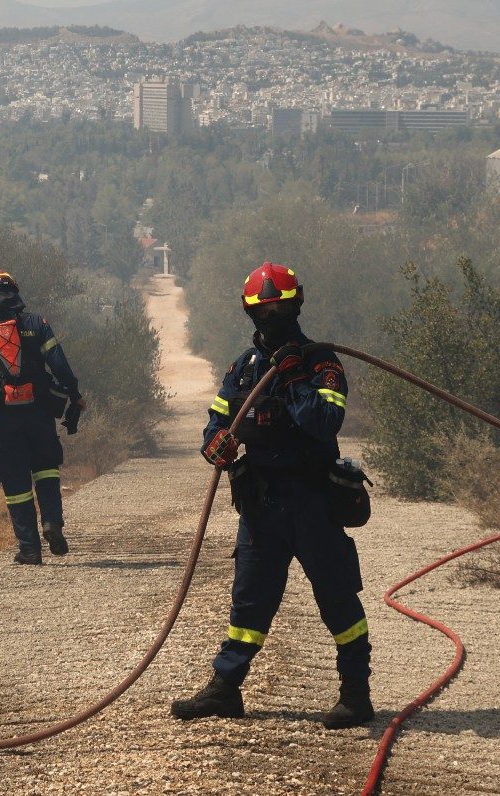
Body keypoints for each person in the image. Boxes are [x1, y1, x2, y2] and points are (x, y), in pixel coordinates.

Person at [170, 261, 374, 729]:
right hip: (261, 506)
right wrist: (214, 442)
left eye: (280, 308)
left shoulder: (322, 362)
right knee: (249, 603)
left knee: (338, 599)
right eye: (264, 310)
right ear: (249, 311)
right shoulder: (246, 368)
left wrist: (296, 375)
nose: (272, 317)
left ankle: (356, 695)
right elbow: (219, 418)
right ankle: (225, 689)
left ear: (297, 304)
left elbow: (323, 422)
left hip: (314, 502)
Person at [0, 271, 85, 565]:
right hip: (39, 411)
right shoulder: (36, 324)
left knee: (15, 480)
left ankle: (30, 549)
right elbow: (59, 363)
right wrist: (74, 393)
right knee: (46, 468)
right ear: (15, 293)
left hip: (3, 419)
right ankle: (52, 523)